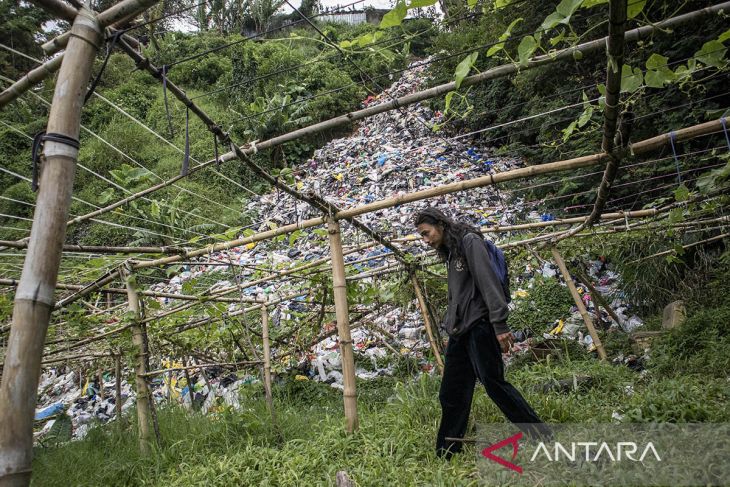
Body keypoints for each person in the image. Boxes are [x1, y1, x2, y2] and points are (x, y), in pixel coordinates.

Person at [414, 207, 548, 459]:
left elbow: (489, 283)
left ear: (440, 225)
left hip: (480, 326)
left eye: (426, 233)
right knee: (451, 392)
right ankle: (447, 451)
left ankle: (542, 437)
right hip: (460, 330)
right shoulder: (452, 252)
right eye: (422, 236)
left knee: (494, 384)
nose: (426, 240)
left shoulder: (469, 241)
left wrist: (500, 325)